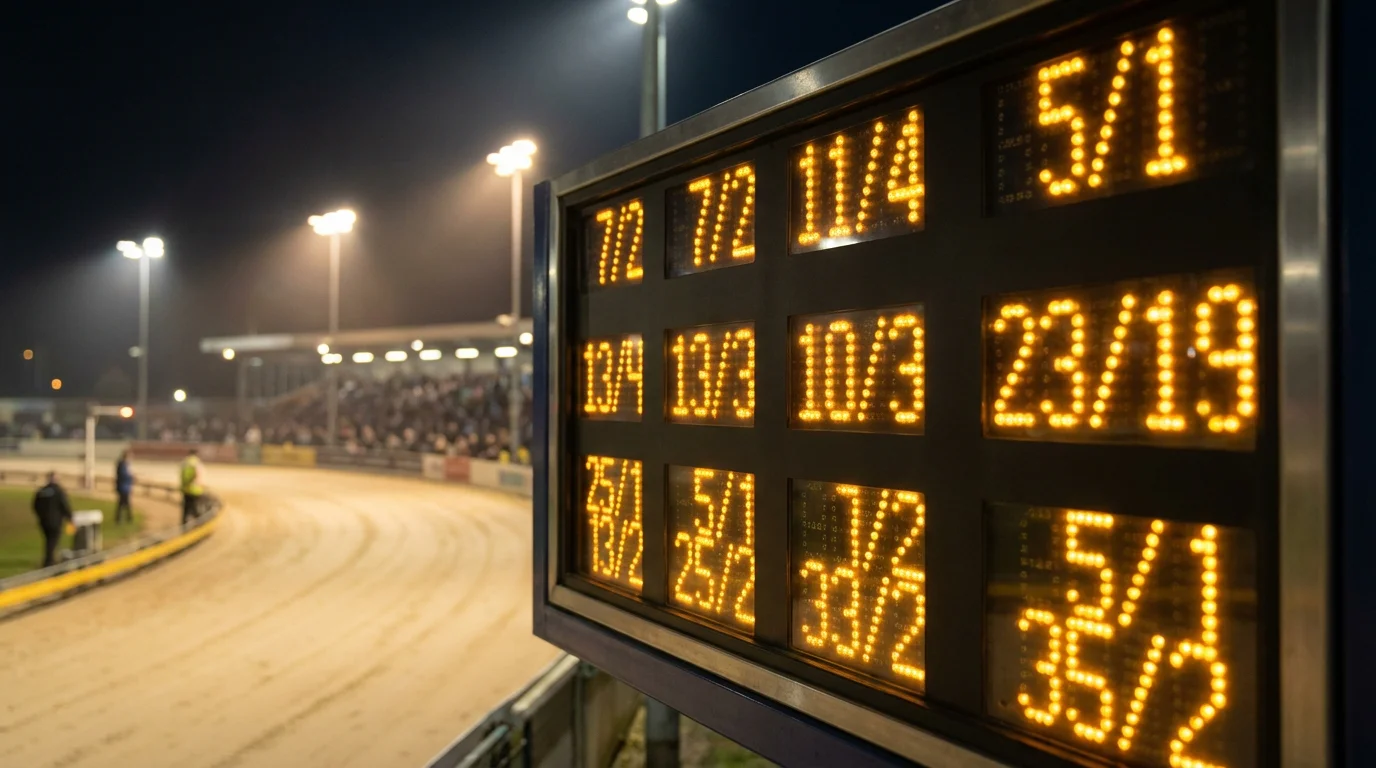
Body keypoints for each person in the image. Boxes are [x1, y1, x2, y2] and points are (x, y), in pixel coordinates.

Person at [32, 472, 72, 568]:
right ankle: (49, 561)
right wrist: (70, 517)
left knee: (48, 540)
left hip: (43, 521)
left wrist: (40, 516)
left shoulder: (41, 491)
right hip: (55, 521)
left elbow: (35, 505)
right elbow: (64, 505)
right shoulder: (59, 491)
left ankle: (49, 559)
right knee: (53, 540)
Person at [180, 448, 204, 525]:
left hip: (185, 489)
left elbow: (181, 475)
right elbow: (197, 475)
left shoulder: (184, 462)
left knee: (186, 509)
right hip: (195, 489)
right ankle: (199, 525)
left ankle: (183, 525)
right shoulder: (197, 463)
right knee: (195, 508)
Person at [114, 451, 134, 524]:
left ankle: (122, 518)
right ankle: (128, 518)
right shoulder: (122, 464)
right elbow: (123, 476)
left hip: (125, 487)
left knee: (122, 504)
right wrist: (131, 477)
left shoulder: (125, 464)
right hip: (123, 487)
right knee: (124, 504)